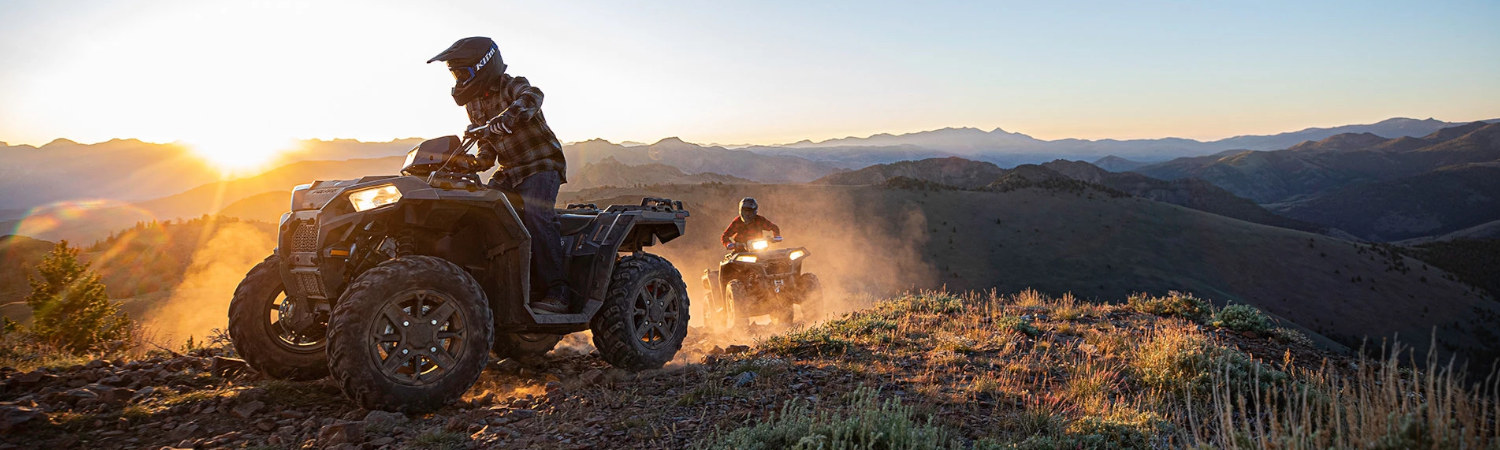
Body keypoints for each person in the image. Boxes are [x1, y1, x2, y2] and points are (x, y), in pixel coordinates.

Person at [428, 36, 571, 314]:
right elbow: (487, 149)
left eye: (463, 73)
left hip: (541, 164)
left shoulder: (511, 85)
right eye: (456, 75)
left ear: (483, 66)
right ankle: (499, 288)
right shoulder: (473, 105)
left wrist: (506, 117)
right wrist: (470, 163)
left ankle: (559, 291)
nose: (459, 80)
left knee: (536, 215)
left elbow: (533, 96)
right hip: (509, 172)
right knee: (483, 213)